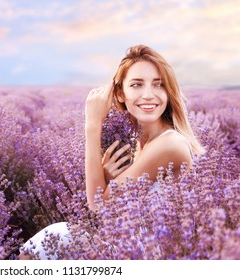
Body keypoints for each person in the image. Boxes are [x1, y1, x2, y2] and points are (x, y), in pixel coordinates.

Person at [19, 44, 205, 260]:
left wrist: (92, 125)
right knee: (49, 242)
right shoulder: (139, 143)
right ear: (120, 93)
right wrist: (106, 180)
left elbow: (98, 205)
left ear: (169, 91)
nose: (148, 95)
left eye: (159, 85)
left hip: (153, 257)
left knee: (54, 236)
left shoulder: (170, 143)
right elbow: (110, 209)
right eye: (136, 85)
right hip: (129, 247)